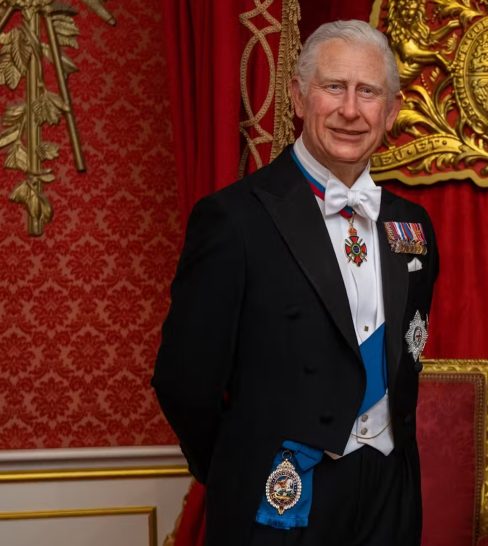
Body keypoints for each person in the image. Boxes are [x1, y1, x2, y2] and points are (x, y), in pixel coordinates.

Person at [152, 20, 439, 546]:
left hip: (389, 496)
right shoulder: (235, 219)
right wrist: (240, 464)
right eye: (334, 87)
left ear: (392, 111)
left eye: (368, 92)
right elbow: (183, 380)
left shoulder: (412, 226)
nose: (350, 110)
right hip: (281, 495)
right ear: (299, 98)